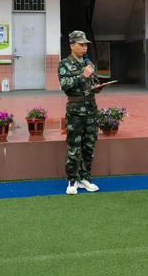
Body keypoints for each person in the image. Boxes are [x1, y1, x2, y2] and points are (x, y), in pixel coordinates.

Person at [58, 30, 102, 195]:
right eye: (81, 45)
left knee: (89, 146)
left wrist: (98, 87)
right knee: (74, 147)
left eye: (86, 45)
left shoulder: (88, 62)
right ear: (72, 45)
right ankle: (72, 180)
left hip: (91, 110)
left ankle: (85, 178)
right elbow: (65, 85)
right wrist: (83, 75)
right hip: (75, 112)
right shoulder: (64, 64)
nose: (84, 48)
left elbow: (94, 81)